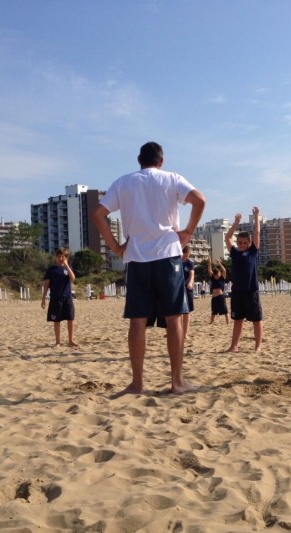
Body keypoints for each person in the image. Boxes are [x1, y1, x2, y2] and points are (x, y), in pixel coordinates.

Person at [91, 141, 205, 395]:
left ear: (138, 160)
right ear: (161, 161)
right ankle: (176, 382)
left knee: (137, 322)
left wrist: (115, 247)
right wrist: (188, 231)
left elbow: (98, 214)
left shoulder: (123, 182)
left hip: (137, 258)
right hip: (168, 257)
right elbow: (199, 200)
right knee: (174, 320)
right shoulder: (172, 179)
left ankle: (138, 383)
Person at [225, 207, 263, 352]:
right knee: (237, 321)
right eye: (239, 242)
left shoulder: (253, 252)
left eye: (244, 243)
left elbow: (257, 233)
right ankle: (234, 346)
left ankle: (258, 346)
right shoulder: (234, 253)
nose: (241, 245)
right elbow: (227, 238)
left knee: (256, 320)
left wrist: (256, 216)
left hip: (251, 291)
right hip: (237, 292)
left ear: (249, 243)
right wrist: (236, 223)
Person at [41, 248, 78, 347]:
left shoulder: (68, 268)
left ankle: (71, 340)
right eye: (59, 256)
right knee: (56, 321)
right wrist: (43, 298)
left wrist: (66, 266)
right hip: (55, 298)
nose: (61, 258)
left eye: (63, 256)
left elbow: (73, 278)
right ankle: (58, 341)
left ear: (66, 257)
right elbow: (46, 285)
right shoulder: (51, 270)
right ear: (55, 257)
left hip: (67, 298)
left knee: (70, 319)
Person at [207, 256, 229, 324]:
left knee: (225, 310)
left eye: (217, 274)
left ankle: (227, 322)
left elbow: (224, 270)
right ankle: (211, 322)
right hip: (214, 297)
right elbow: (209, 271)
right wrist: (209, 262)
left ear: (220, 273)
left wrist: (219, 263)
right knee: (214, 311)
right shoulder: (213, 278)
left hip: (220, 297)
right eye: (215, 275)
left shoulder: (222, 278)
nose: (216, 276)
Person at [181, 246, 195, 342]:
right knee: (177, 312)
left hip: (187, 289)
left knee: (187, 312)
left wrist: (190, 282)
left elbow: (192, 274)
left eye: (187, 256)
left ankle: (185, 333)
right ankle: (178, 332)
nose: (186, 257)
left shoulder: (189, 263)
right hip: (177, 288)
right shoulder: (176, 261)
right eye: (185, 256)